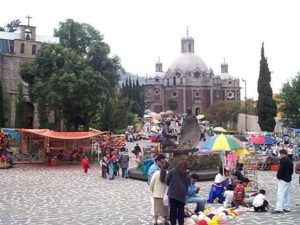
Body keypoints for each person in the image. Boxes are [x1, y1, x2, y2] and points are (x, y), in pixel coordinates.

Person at [166, 160, 190, 225]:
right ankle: (181, 223)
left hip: (172, 194)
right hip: (182, 195)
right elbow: (188, 184)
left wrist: (171, 185)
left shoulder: (172, 171)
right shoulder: (187, 174)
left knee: (172, 211)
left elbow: (167, 180)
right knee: (181, 211)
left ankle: (173, 223)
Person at [272, 149, 294, 213]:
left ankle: (279, 208)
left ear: (281, 153)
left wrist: (278, 176)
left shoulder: (283, 160)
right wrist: (289, 176)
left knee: (280, 193)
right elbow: (291, 171)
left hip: (283, 179)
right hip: (288, 178)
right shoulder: (289, 160)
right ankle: (286, 207)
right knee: (287, 194)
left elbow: (281, 169)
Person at [149, 160, 170, 225]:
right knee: (165, 209)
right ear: (168, 167)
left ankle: (155, 221)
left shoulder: (156, 173)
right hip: (165, 194)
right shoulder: (168, 173)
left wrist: (152, 190)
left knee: (156, 208)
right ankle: (165, 220)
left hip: (157, 194)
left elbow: (151, 183)